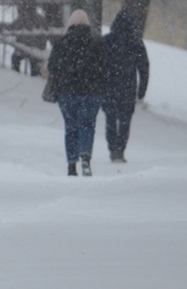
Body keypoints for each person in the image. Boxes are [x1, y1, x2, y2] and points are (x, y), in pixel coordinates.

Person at [46, 9, 107, 176]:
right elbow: (105, 68)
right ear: (87, 25)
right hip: (91, 93)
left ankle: (71, 165)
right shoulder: (97, 43)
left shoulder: (61, 44)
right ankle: (85, 157)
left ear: (70, 25)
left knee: (71, 127)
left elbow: (51, 67)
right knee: (87, 125)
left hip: (67, 93)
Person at [102, 9, 149, 163]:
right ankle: (120, 149)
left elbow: (97, 65)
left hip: (109, 86)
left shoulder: (107, 41)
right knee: (125, 120)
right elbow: (144, 68)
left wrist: (97, 84)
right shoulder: (136, 43)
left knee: (110, 118)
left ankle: (112, 147)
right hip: (128, 87)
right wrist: (142, 89)